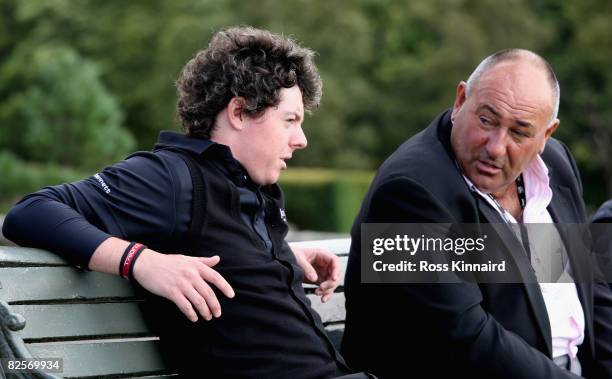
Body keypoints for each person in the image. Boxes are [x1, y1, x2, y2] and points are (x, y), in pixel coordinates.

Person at [3, 26, 370, 379]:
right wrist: (141, 261)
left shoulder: (252, 187)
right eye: (290, 120)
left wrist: (281, 259)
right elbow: (31, 212)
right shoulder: (170, 177)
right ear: (239, 112)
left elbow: (219, 247)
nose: (301, 139)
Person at [341, 49, 612, 378]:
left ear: (546, 135)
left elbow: (585, 286)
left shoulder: (554, 164)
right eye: (487, 120)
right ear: (460, 101)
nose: (496, 146)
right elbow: (467, 341)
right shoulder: (408, 194)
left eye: (520, 132)